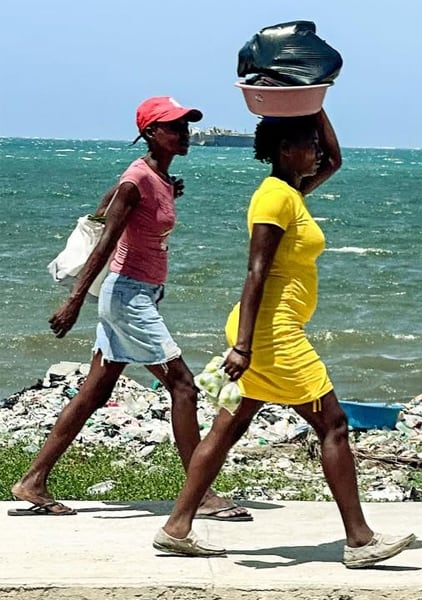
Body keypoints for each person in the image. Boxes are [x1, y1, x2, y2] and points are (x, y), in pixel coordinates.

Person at [153, 111, 415, 568]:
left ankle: (176, 528)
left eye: (313, 142)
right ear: (284, 150)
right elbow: (256, 271)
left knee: (227, 427)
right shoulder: (274, 198)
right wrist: (244, 346)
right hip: (272, 335)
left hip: (265, 331)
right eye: (307, 143)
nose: (315, 150)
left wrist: (316, 101)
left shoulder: (291, 193)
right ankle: (359, 540)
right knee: (333, 424)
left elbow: (334, 160)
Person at [9, 96, 250, 522]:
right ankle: (200, 494)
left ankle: (33, 481)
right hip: (127, 297)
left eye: (185, 126)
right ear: (151, 133)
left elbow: (105, 210)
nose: (184, 134)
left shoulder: (155, 178)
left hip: (140, 294)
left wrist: (164, 191)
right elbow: (105, 241)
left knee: (95, 392)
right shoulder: (136, 181)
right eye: (174, 127)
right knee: (183, 386)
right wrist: (74, 300)